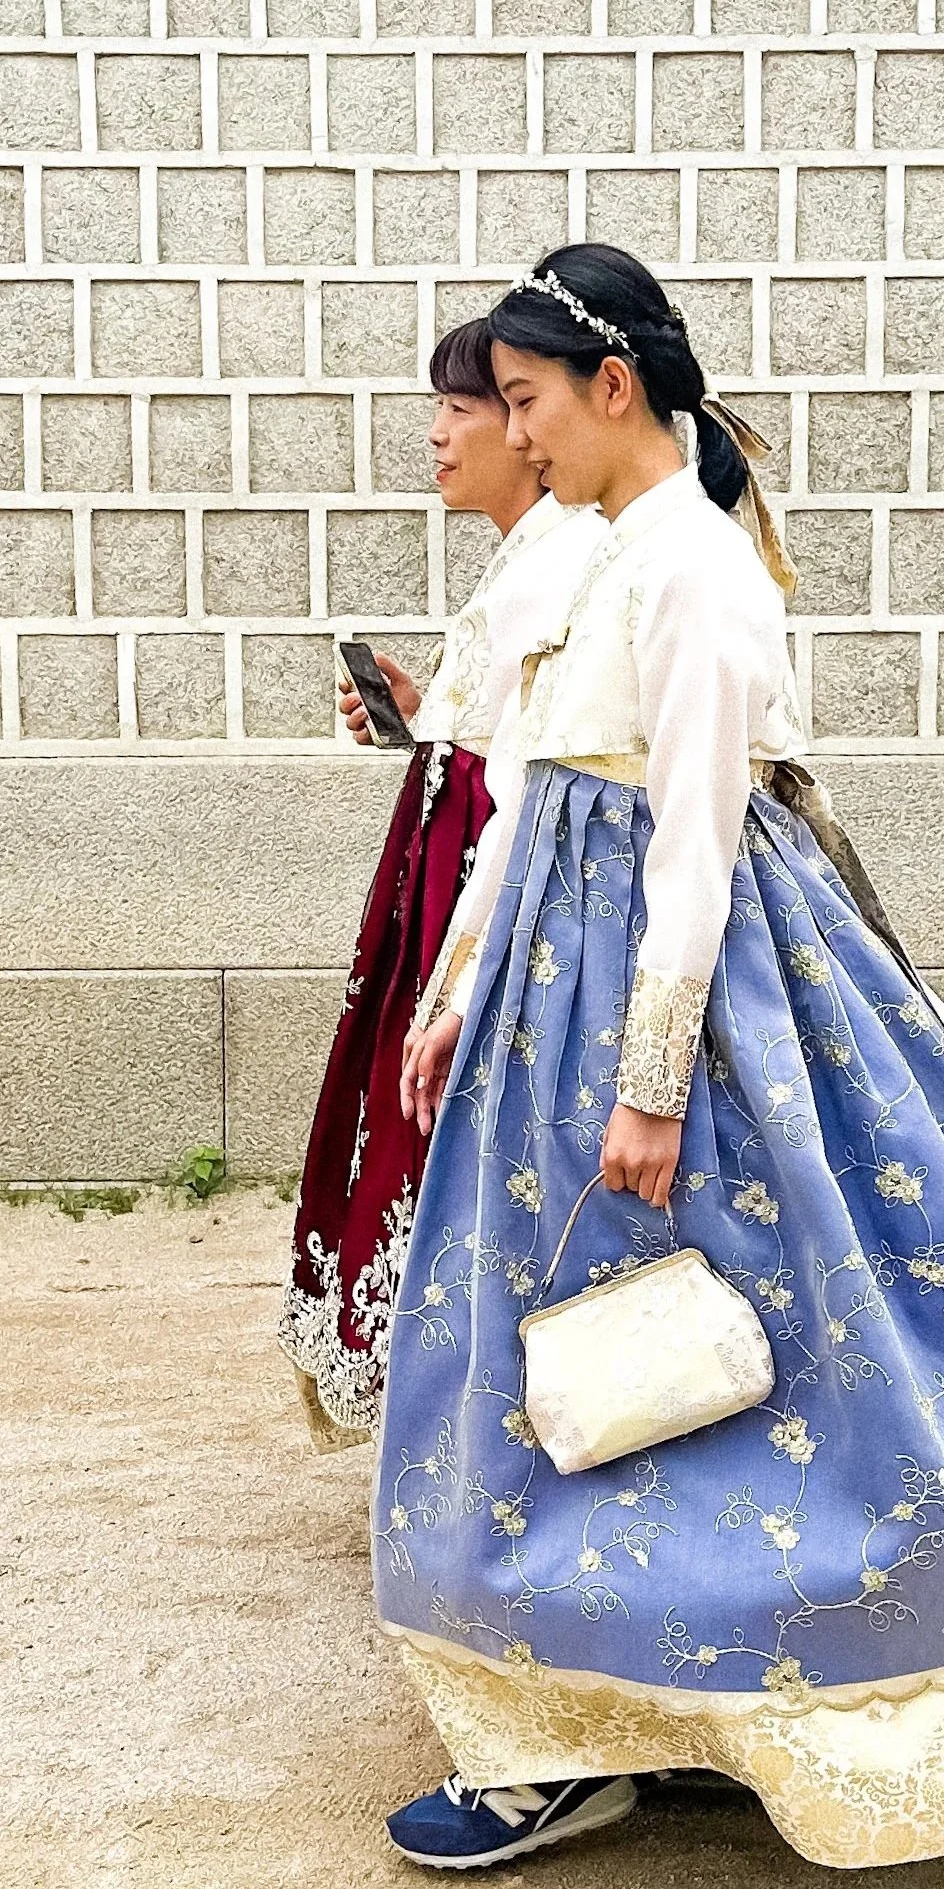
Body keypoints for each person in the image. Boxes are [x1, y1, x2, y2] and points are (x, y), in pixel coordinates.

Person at [378, 246, 944, 1871]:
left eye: (530, 401)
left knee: (743, 1342)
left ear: (613, 389)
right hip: (560, 997)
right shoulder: (607, 552)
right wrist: (457, 989)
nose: (516, 435)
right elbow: (538, 800)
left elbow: (693, 839)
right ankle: (589, 1717)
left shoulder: (692, 565)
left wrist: (652, 1082)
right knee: (571, 1346)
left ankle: (702, 1709)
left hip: (672, 1009)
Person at [278, 315, 603, 1446]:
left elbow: (535, 773)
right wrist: (424, 722)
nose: (442, 434)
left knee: (466, 1141)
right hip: (447, 876)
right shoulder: (529, 549)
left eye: (467, 407)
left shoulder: (571, 552)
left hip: (487, 886)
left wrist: (467, 960)